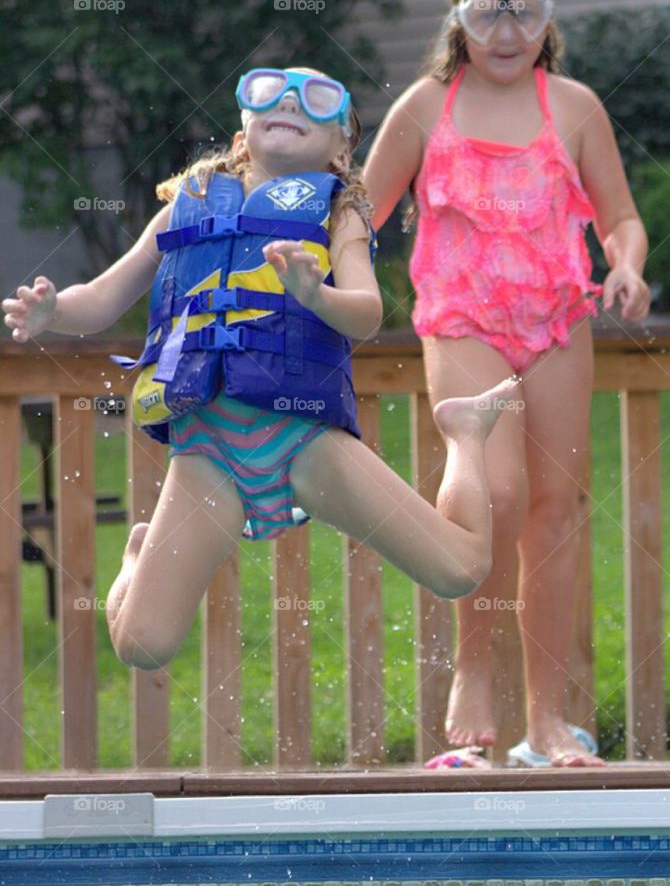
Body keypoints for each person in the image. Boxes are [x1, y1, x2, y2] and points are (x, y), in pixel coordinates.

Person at [3, 66, 520, 672]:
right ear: (244, 130)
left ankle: (463, 433)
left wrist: (314, 294)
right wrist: (53, 312)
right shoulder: (185, 205)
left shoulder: (338, 214)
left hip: (304, 439)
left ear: (341, 148)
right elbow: (105, 296)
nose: (291, 102)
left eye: (317, 100)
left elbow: (368, 314)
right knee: (142, 645)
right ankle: (138, 558)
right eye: (269, 92)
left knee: (459, 570)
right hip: (208, 453)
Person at [364, 0, 651, 768]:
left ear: (548, 21)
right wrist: (316, 273)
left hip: (558, 319)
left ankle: (549, 721)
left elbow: (619, 217)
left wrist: (626, 265)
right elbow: (362, 212)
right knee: (495, 490)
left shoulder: (575, 106)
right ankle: (473, 676)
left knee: (555, 512)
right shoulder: (425, 108)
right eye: (487, 10)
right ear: (458, 21)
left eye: (524, 9)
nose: (506, 29)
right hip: (460, 318)